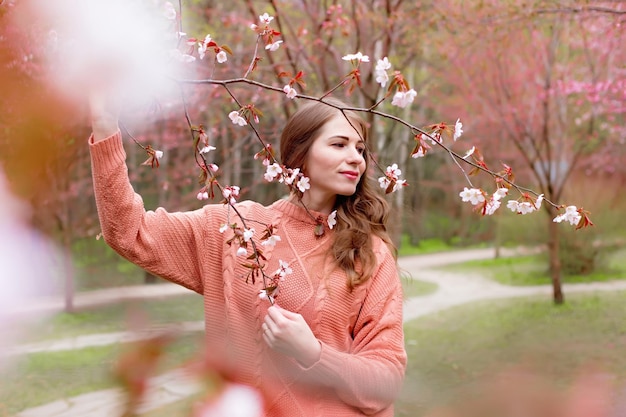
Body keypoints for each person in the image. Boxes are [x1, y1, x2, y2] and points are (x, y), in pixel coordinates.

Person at [89, 93, 407, 416]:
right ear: (301, 153)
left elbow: (385, 382)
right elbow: (130, 231)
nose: (356, 158)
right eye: (339, 145)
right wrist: (104, 127)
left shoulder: (369, 254)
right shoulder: (234, 230)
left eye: (360, 149)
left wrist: (313, 353)